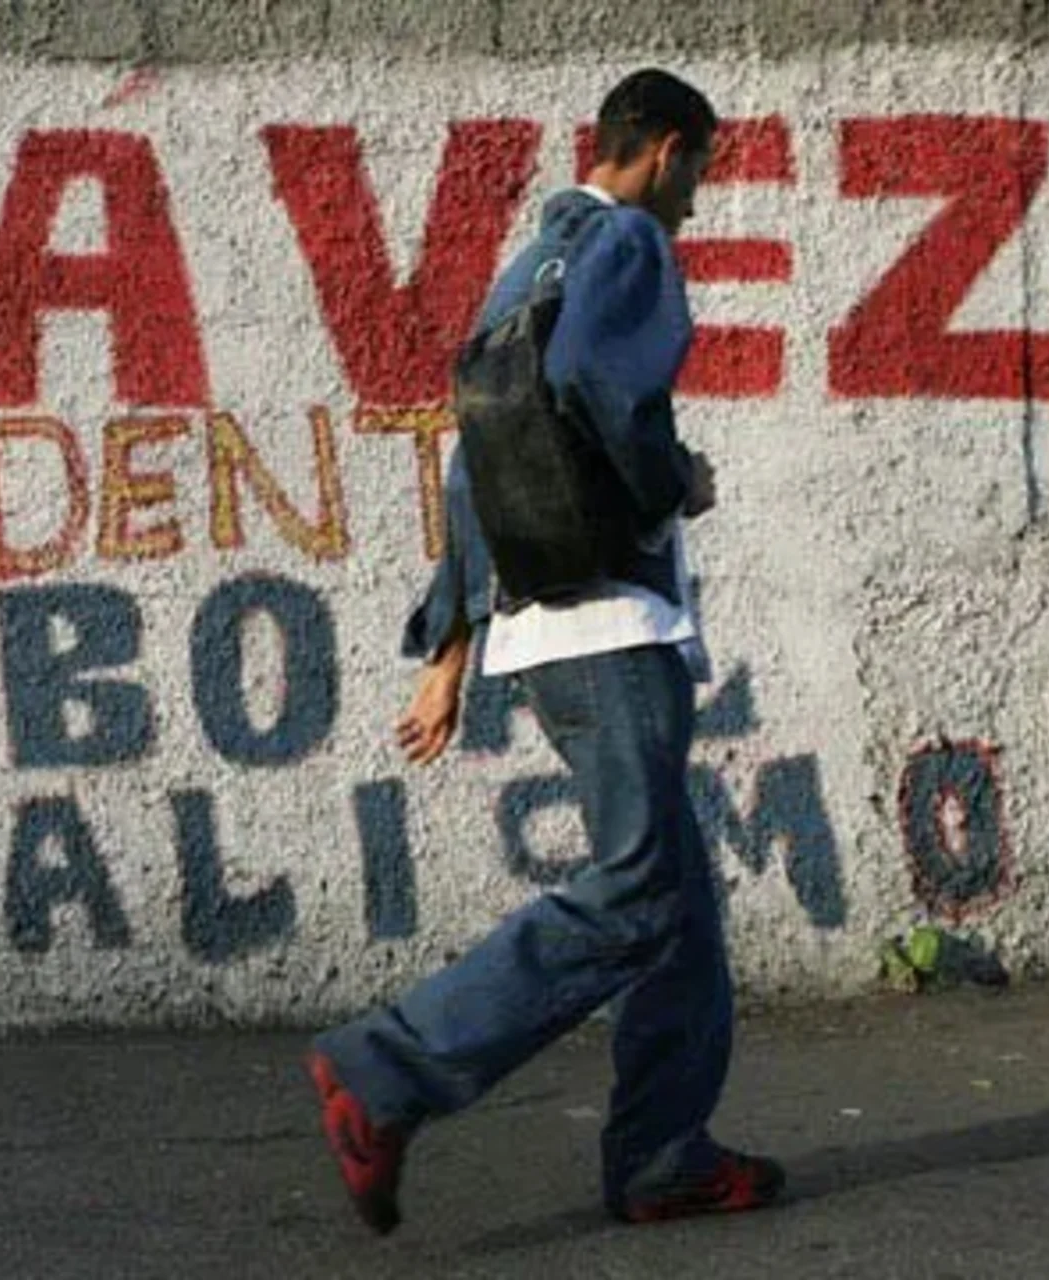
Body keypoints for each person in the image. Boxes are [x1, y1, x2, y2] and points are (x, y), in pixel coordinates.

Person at [305, 67, 784, 1234]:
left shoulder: (530, 263)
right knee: (633, 891)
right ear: (669, 149)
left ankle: (665, 1151)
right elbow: (587, 387)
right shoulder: (625, 242)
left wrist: (452, 644)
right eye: (702, 173)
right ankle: (390, 1067)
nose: (699, 202)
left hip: (537, 626)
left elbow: (477, 460)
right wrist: (676, 479)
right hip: (611, 621)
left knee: (678, 904)